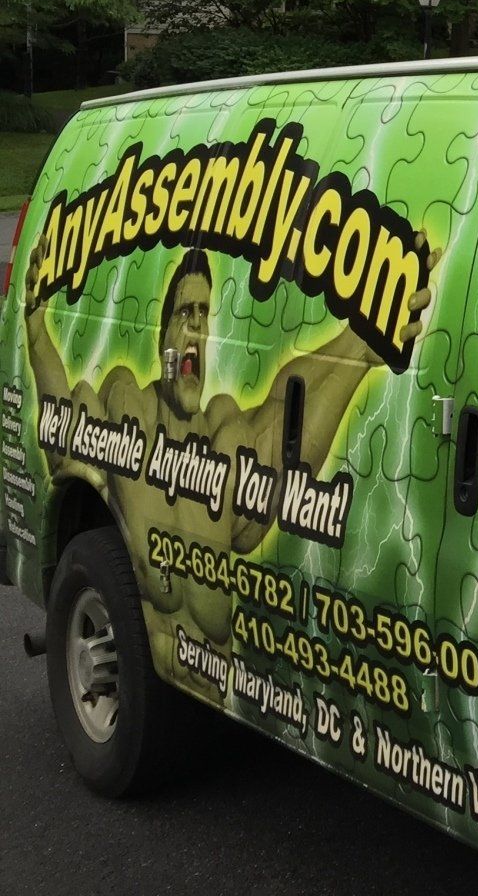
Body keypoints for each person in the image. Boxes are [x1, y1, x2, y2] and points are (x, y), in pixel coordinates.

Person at [24, 241, 436, 692]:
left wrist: (358, 343)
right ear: (162, 335)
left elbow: (288, 407)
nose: (196, 326)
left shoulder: (227, 443)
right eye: (185, 313)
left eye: (204, 315)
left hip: (215, 687)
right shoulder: (127, 412)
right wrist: (38, 334)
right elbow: (64, 435)